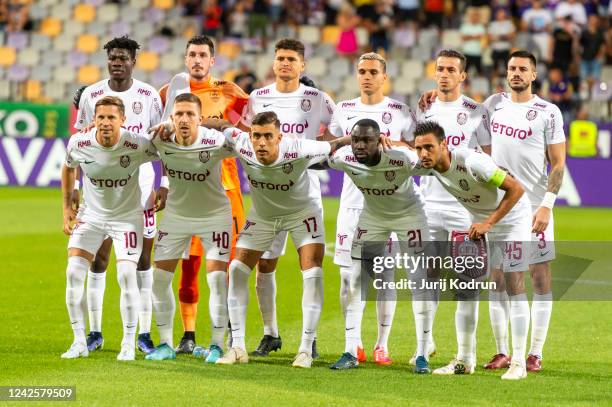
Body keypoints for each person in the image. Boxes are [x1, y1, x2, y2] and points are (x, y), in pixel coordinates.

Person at [210, 111, 350, 367]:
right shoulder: (242, 143)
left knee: (312, 272)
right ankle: (238, 346)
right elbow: (222, 125)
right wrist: (184, 123)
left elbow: (333, 145)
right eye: (257, 136)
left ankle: (306, 349)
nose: (261, 142)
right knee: (237, 269)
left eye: (267, 136)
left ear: (279, 137)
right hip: (263, 215)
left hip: (302, 213)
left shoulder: (300, 148)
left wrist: (357, 138)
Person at [413, 120, 533, 380]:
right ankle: (465, 360)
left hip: (511, 221)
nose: (423, 154)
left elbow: (517, 189)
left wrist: (489, 222)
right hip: (479, 225)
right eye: (419, 148)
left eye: (429, 147)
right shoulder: (429, 167)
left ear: (444, 145)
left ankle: (519, 363)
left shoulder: (472, 162)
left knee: (514, 284)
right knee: (465, 288)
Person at [239, 38, 335, 358]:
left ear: (302, 65)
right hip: (267, 195)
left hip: (303, 191)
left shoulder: (317, 98)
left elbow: (335, 133)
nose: (285, 63)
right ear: (273, 61)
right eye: (280, 58)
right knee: (265, 265)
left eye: (291, 59)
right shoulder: (258, 97)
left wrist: (313, 152)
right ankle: (271, 333)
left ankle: (310, 337)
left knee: (311, 266)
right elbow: (242, 133)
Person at [158, 35, 248, 354]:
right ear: (186, 59)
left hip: (226, 191)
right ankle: (188, 335)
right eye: (192, 54)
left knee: (229, 269)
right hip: (188, 192)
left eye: (203, 55)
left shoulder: (229, 92)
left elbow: (253, 128)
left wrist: (216, 123)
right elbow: (156, 131)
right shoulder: (170, 94)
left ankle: (229, 337)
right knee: (189, 268)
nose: (197, 60)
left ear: (212, 61)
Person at [74, 36, 163, 355]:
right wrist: (75, 188)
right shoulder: (91, 95)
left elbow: (159, 143)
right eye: (113, 57)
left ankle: (144, 332)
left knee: (141, 259)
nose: (117, 62)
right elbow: (82, 143)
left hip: (140, 187)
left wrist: (161, 185)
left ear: (133, 62)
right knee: (98, 257)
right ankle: (95, 331)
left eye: (123, 57)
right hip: (100, 192)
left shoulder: (149, 95)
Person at [328, 52, 415, 366]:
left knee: (384, 278)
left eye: (373, 72)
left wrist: (392, 144)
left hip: (386, 206)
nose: (367, 76)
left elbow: (416, 150)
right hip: (352, 206)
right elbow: (331, 147)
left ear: (384, 76)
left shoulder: (400, 111)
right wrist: (344, 141)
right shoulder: (344, 109)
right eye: (362, 71)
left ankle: (382, 344)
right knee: (348, 279)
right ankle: (355, 343)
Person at [325, 119, 432, 374]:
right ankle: (351, 351)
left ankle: (422, 353)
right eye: (356, 140)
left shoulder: (401, 157)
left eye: (367, 140)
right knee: (354, 280)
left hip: (410, 217)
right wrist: (341, 141)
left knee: (419, 281)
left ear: (379, 139)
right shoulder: (344, 157)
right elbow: (323, 153)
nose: (360, 146)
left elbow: (431, 161)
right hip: (372, 217)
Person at [482, 51, 566, 373]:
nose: (516, 73)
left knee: (539, 276)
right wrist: (433, 95)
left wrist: (546, 205)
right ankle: (502, 350)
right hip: (502, 206)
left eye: (522, 69)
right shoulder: (492, 105)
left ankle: (535, 352)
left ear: (533, 75)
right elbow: (459, 111)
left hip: (534, 207)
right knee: (499, 278)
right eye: (511, 68)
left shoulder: (548, 111)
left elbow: (557, 163)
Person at [61, 96, 158, 361]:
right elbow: (68, 168)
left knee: (127, 276)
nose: (105, 123)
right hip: (91, 216)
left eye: (111, 117)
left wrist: (166, 185)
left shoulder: (136, 143)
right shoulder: (79, 142)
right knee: (73, 273)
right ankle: (79, 341)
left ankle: (128, 343)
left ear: (122, 120)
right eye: (100, 117)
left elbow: (169, 153)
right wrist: (67, 207)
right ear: (93, 119)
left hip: (127, 218)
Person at [144, 93, 236, 363]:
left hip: (214, 216)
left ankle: (218, 345)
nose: (184, 119)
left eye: (190, 115)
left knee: (217, 280)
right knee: (159, 280)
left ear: (200, 119)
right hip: (176, 217)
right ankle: (165, 345)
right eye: (179, 114)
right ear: (171, 119)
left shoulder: (215, 141)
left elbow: (245, 141)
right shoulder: (160, 139)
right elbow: (128, 139)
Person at [416, 49, 491, 374]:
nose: (444, 74)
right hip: (430, 205)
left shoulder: (477, 111)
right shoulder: (423, 109)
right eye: (440, 69)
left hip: (465, 210)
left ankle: (465, 355)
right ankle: (426, 342)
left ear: (463, 76)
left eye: (451, 69)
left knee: (466, 282)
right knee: (427, 277)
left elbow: (489, 157)